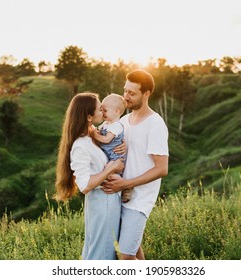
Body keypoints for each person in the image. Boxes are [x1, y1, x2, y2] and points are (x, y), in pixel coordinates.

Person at [102, 69, 169, 260]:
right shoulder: (123, 121)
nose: (126, 97)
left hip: (139, 200)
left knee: (125, 257)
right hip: (120, 196)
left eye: (132, 93)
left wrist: (126, 184)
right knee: (132, 252)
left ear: (146, 94)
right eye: (125, 91)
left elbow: (162, 168)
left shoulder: (155, 124)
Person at [55, 92, 124, 260]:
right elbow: (85, 185)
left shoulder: (93, 137)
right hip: (102, 202)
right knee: (103, 254)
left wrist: (123, 146)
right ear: (89, 117)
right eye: (100, 109)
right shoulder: (81, 145)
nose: (103, 111)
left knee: (104, 251)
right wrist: (112, 168)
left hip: (107, 201)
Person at [91, 93, 132, 202]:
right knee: (107, 171)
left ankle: (126, 186)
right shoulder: (106, 124)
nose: (103, 113)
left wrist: (95, 134)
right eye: (102, 110)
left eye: (105, 111)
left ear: (117, 111)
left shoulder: (117, 126)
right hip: (108, 154)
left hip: (115, 156)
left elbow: (106, 139)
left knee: (108, 171)